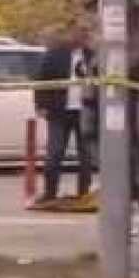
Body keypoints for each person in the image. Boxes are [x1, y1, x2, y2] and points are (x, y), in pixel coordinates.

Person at [31, 22, 95, 206]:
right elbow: (42, 80)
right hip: (59, 111)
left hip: (85, 112)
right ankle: (50, 192)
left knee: (86, 156)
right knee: (55, 153)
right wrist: (41, 104)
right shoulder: (55, 55)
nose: (83, 36)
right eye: (80, 32)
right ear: (71, 34)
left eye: (86, 32)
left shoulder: (93, 56)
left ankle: (84, 193)